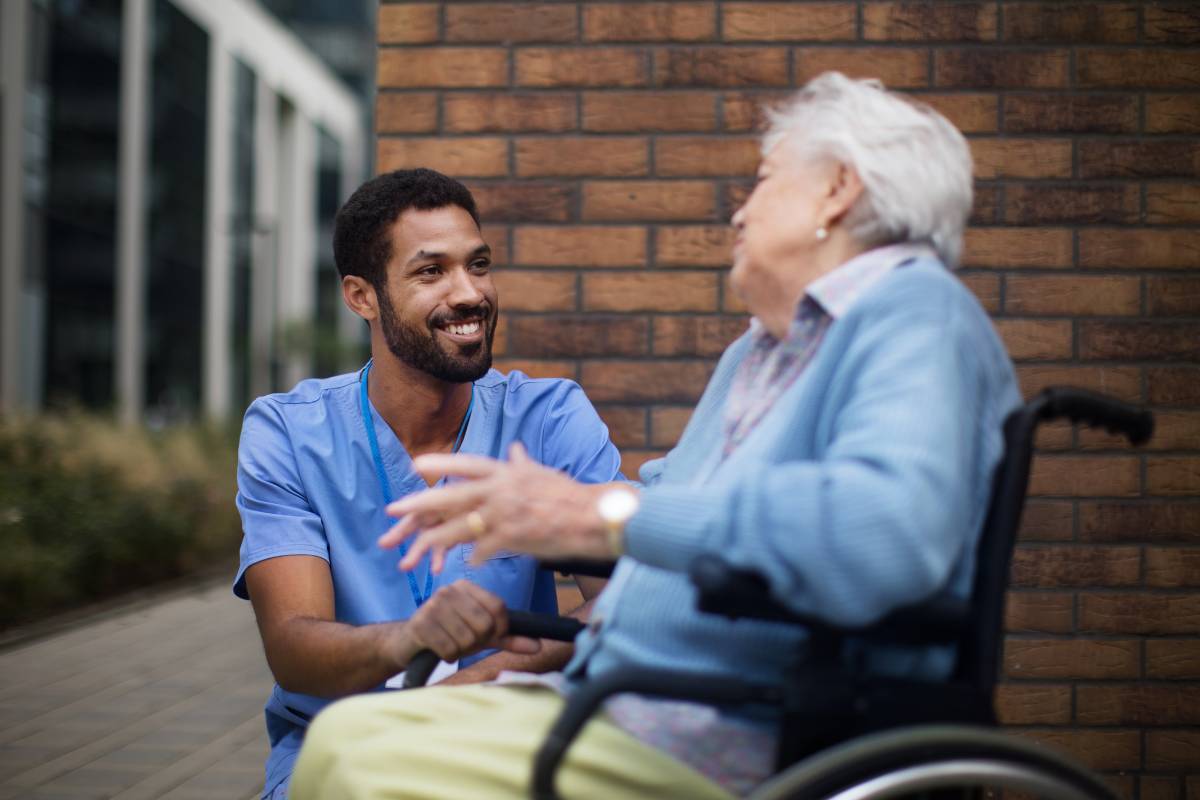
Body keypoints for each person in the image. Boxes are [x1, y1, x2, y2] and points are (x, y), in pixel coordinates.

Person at [290, 73, 1022, 799]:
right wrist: (545, 514)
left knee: (359, 765)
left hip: (734, 730)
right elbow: (669, 501)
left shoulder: (915, 314)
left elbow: (883, 536)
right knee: (343, 738)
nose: (739, 213)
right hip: (621, 698)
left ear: (836, 191)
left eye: (763, 183)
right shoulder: (762, 350)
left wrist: (602, 514)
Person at [234, 168, 621, 798]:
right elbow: (293, 645)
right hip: (345, 744)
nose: (470, 293)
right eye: (431, 271)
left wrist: (486, 679)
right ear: (361, 296)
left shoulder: (549, 418)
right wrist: (409, 640)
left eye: (479, 264)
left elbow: (624, 604)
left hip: (513, 730)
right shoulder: (288, 434)